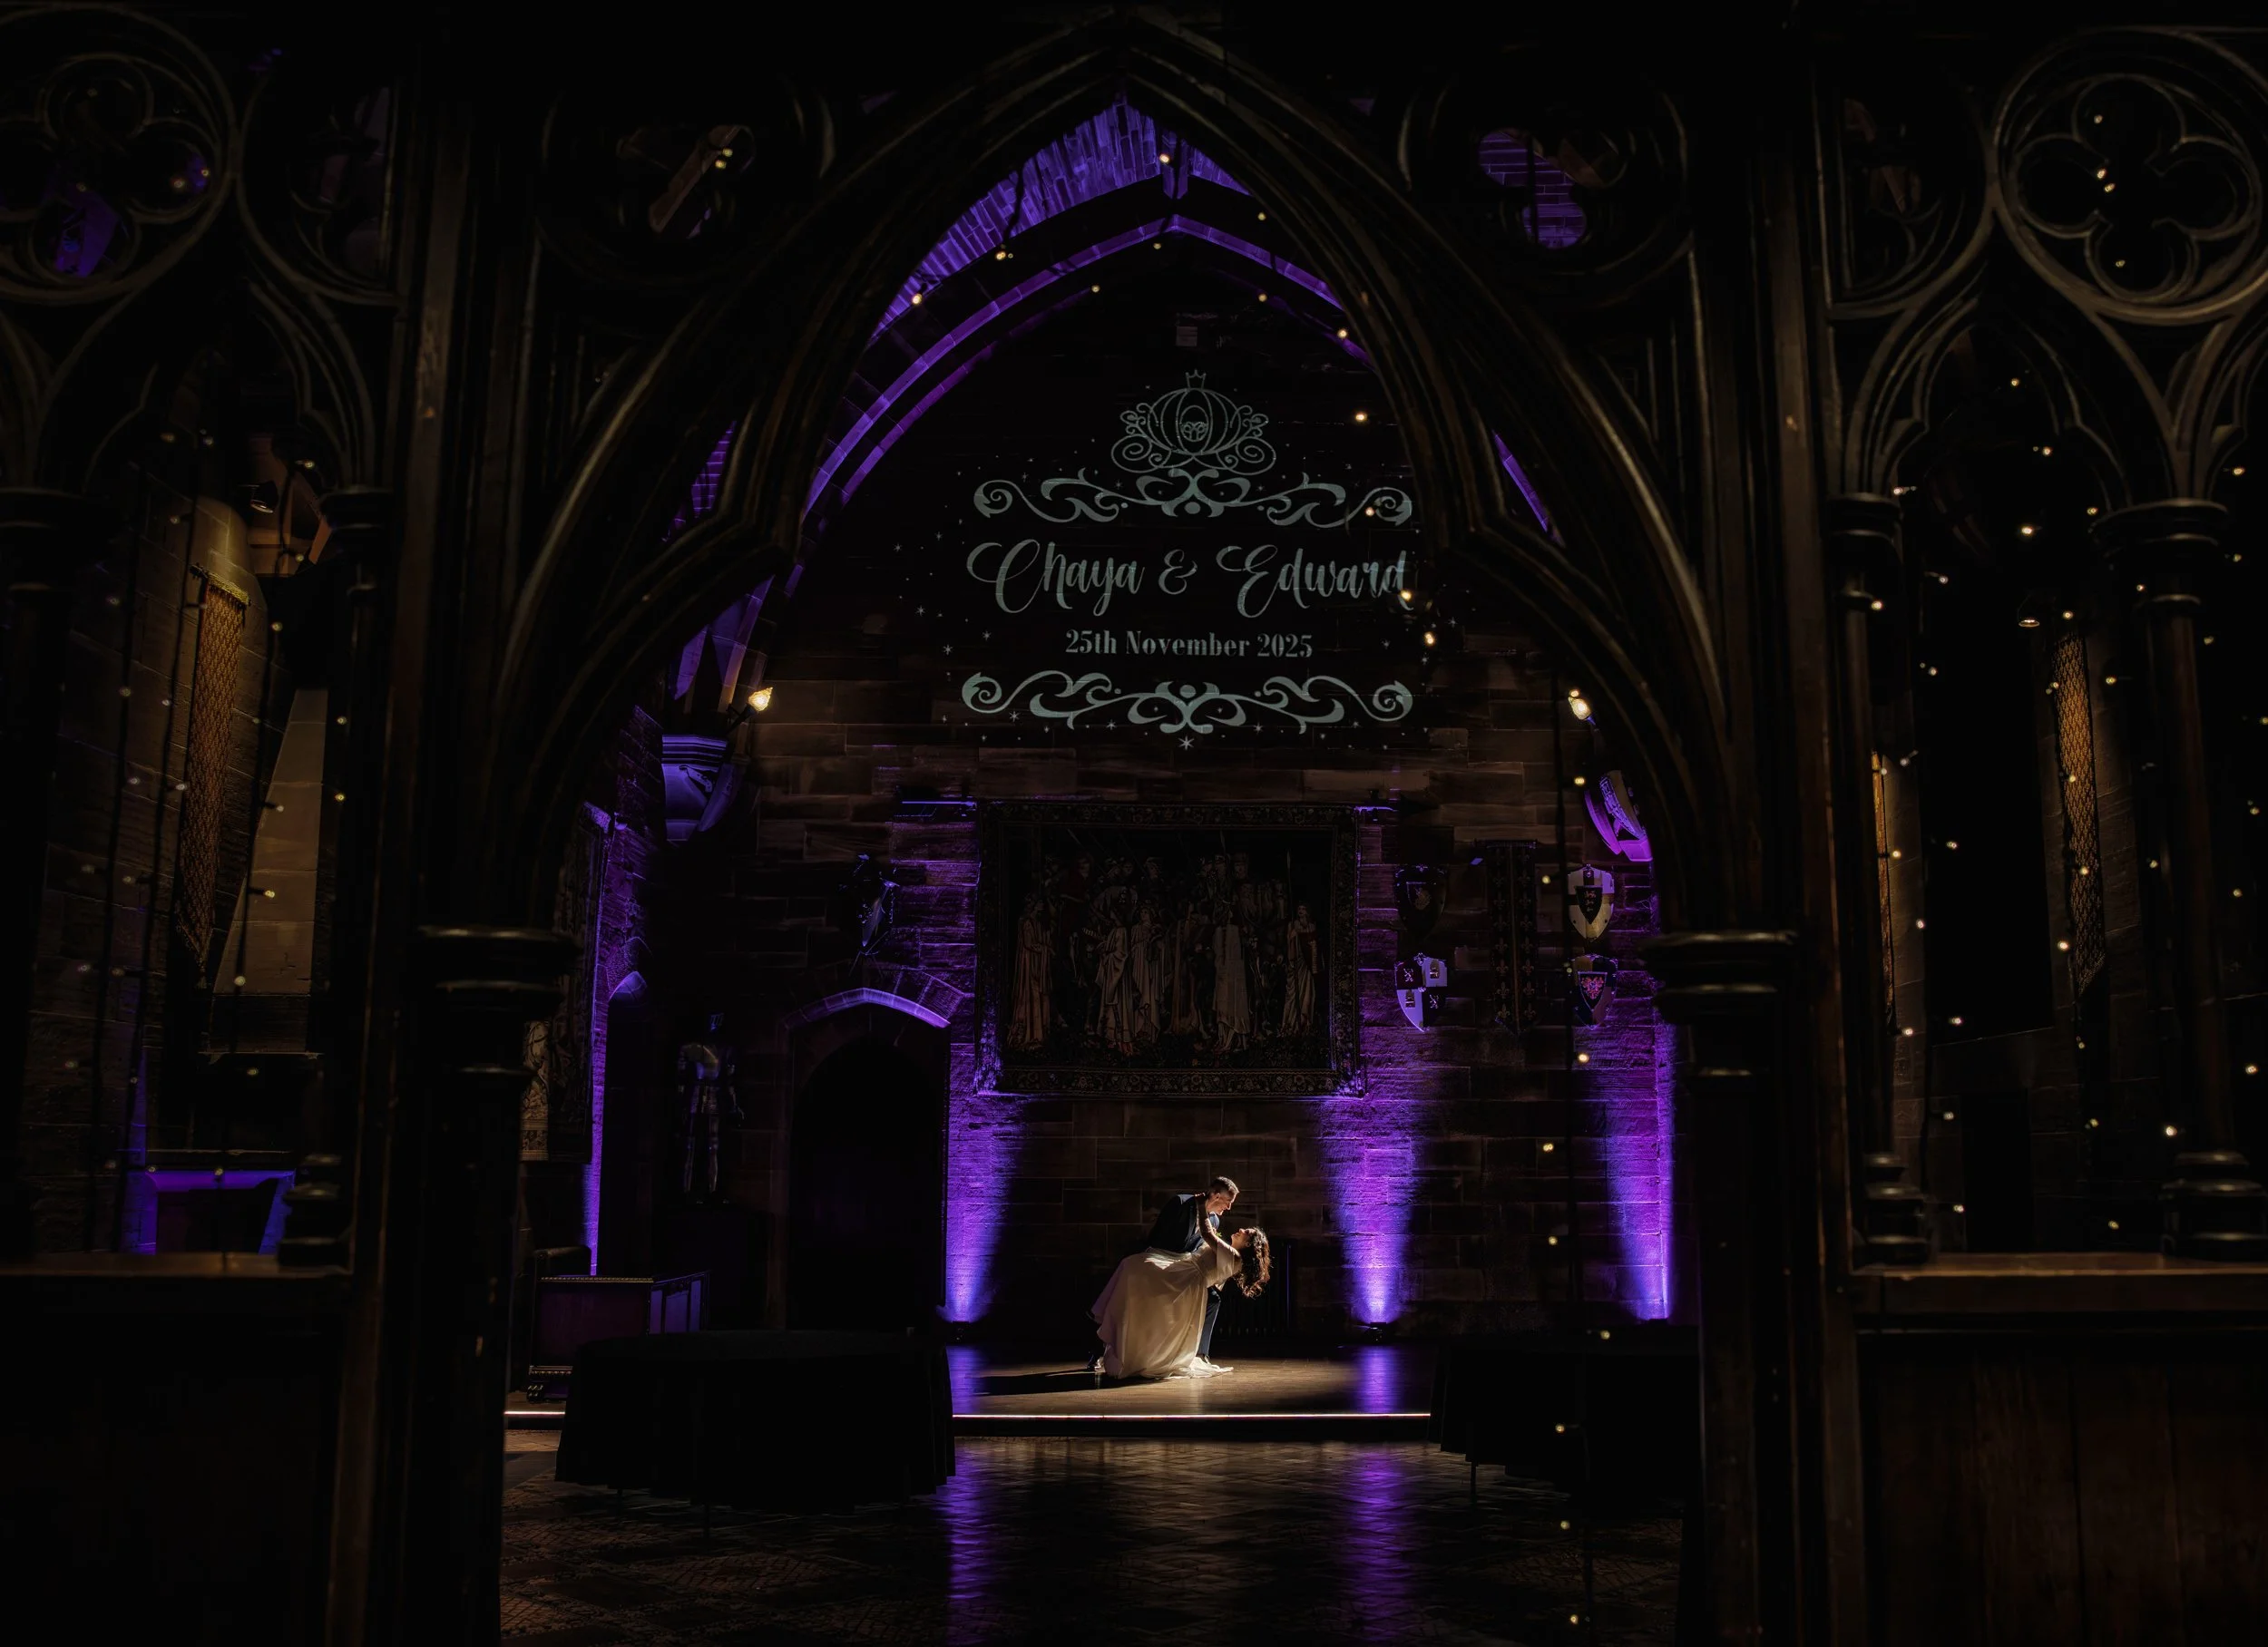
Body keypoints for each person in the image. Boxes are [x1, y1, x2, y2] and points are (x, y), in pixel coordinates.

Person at [1090, 1181, 1268, 1380]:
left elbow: (1208, 1236)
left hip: (1187, 1278)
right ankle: (1110, 1332)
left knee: (1132, 1269)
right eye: (1228, 1202)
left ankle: (1128, 1344)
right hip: (1180, 1269)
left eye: (1246, 1233)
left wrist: (1201, 1207)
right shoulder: (1186, 1208)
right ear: (1216, 1196)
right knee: (1132, 1269)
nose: (1230, 1209)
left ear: (1249, 1244)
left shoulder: (1233, 1254)